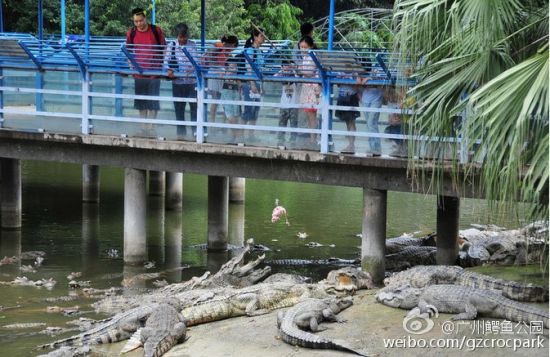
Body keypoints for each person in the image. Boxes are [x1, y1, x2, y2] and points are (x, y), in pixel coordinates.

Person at [125, 8, 167, 129]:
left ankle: (151, 125)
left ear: (145, 18)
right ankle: (144, 125)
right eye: (136, 21)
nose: (139, 24)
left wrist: (163, 65)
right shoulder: (131, 32)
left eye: (141, 21)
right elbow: (128, 50)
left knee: (153, 101)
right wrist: (131, 65)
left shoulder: (156, 30)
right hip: (139, 72)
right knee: (141, 101)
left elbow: (164, 48)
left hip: (155, 71)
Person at [164, 23, 196, 138]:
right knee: (179, 109)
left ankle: (196, 133)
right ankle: (181, 134)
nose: (182, 40)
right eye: (180, 37)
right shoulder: (171, 46)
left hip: (191, 83)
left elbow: (196, 61)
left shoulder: (192, 45)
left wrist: (191, 69)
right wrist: (170, 70)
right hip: (177, 83)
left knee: (194, 109)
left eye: (184, 37)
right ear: (177, 36)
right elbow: (166, 62)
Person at [207, 35, 239, 125]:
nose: (233, 48)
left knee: (225, 102)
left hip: (224, 78)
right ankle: (212, 123)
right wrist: (219, 70)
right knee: (215, 101)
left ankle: (224, 124)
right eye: (233, 45)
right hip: (215, 77)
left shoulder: (230, 55)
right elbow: (211, 61)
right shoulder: (216, 47)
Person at [241, 27, 266, 140]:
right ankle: (240, 134)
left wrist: (261, 85)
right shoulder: (250, 51)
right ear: (255, 37)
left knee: (255, 110)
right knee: (248, 110)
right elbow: (249, 68)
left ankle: (251, 135)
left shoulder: (259, 51)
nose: (263, 38)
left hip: (258, 83)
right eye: (261, 35)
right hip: (250, 84)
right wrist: (252, 84)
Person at [296, 36, 320, 146]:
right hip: (307, 88)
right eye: (301, 47)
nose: (302, 49)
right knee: (309, 115)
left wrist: (299, 69)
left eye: (305, 47)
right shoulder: (305, 57)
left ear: (310, 46)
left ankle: (314, 139)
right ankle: (312, 138)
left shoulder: (312, 56)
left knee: (313, 115)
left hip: (313, 89)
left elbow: (309, 72)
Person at [274, 60, 299, 148]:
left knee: (294, 124)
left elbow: (298, 78)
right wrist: (282, 71)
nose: (287, 67)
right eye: (285, 66)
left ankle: (293, 140)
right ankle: (280, 140)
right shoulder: (281, 74)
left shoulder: (295, 74)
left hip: (294, 104)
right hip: (283, 104)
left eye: (289, 66)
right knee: (282, 123)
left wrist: (294, 70)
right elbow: (275, 77)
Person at [220, 55, 243, 143]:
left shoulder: (239, 76)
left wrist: (237, 81)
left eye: (235, 67)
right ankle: (238, 136)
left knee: (236, 117)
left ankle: (234, 137)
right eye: (232, 67)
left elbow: (241, 85)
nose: (234, 69)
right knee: (230, 117)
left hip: (236, 95)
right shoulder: (223, 72)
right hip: (227, 94)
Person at [335, 78, 361, 153]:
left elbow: (357, 84)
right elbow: (338, 84)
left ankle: (351, 145)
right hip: (342, 96)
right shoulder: (340, 71)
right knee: (348, 122)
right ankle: (350, 145)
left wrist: (347, 79)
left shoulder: (354, 71)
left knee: (351, 121)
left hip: (351, 96)